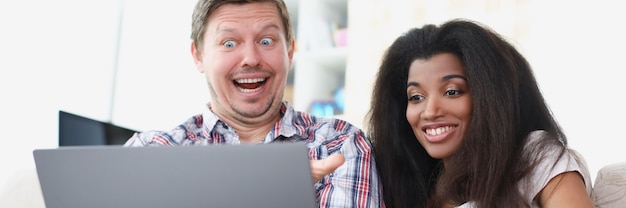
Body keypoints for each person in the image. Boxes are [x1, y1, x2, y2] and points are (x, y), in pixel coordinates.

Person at [123, 0, 384, 207]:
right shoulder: (149, 153)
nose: (250, 58)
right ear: (198, 56)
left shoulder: (340, 146)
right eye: (229, 43)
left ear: (290, 51)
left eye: (266, 41)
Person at [367, 19, 595, 207]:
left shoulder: (532, 157)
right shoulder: (407, 190)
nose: (430, 111)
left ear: (490, 97)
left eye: (452, 91)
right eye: (416, 97)